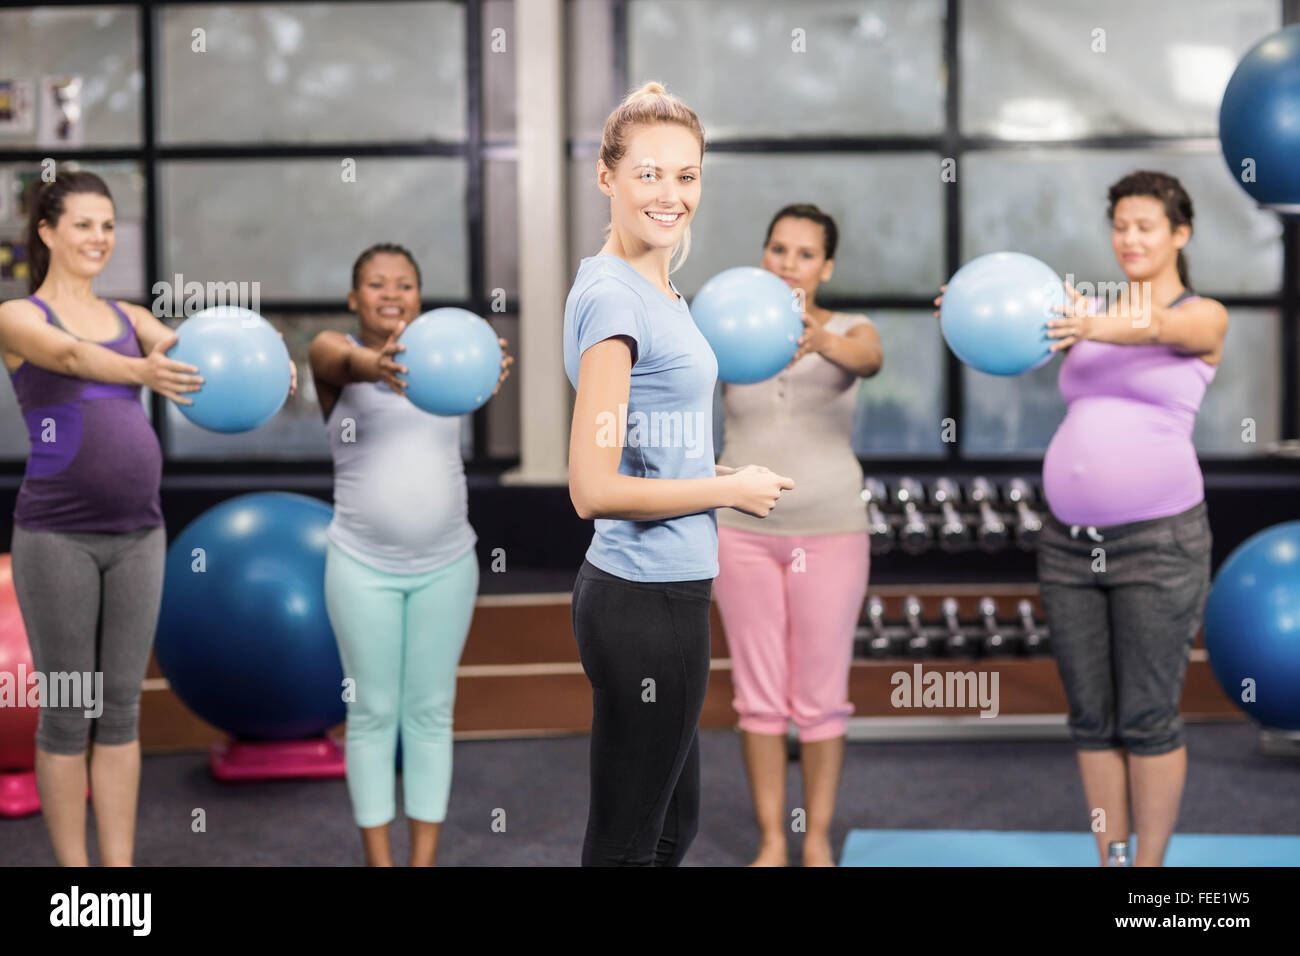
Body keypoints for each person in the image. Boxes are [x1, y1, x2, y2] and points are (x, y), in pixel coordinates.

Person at [934, 170, 1225, 866]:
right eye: (1120, 225)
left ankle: (1147, 879)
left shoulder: (1201, 314)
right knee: (1091, 720)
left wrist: (1092, 321)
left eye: (1145, 226)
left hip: (1160, 544)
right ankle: (1112, 861)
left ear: (1179, 234)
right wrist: (969, 308)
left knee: (1148, 718)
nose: (1129, 238)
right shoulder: (1080, 310)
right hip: (1068, 545)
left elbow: (1161, 324)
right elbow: (1014, 319)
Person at [564, 81, 794, 866]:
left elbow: (643, 441)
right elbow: (591, 487)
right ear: (608, 178)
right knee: (630, 842)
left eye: (687, 175)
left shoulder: (654, 286)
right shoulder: (614, 301)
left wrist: (711, 468)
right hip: (643, 597)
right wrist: (727, 490)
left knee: (667, 830)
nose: (671, 194)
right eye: (649, 173)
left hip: (662, 591)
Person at [0, 170, 203, 866]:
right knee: (65, 714)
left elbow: (194, 353)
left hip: (140, 533)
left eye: (109, 224)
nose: (99, 238)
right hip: (56, 538)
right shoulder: (18, 316)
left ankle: (116, 881)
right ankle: (75, 883)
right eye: (84, 224)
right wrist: (139, 373)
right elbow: (69, 356)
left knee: (120, 712)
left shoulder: (132, 318)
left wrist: (264, 372)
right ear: (48, 231)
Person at [309, 243, 511, 866]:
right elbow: (337, 358)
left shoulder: (448, 356)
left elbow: (479, 372)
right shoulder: (334, 357)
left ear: (420, 295)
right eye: (375, 284)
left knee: (429, 713)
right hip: (361, 567)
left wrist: (484, 369)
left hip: (447, 565)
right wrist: (380, 365)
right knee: (371, 713)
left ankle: (422, 863)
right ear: (354, 298)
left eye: (404, 284)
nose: (391, 293)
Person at [712, 204, 882, 867]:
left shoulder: (848, 327)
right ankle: (772, 842)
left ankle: (814, 841)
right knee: (757, 698)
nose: (788, 264)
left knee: (819, 697)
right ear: (764, 255)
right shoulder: (727, 328)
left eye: (805, 254)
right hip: (740, 533)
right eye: (778, 250)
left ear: (826, 266)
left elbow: (869, 358)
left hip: (831, 531)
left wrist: (818, 336)